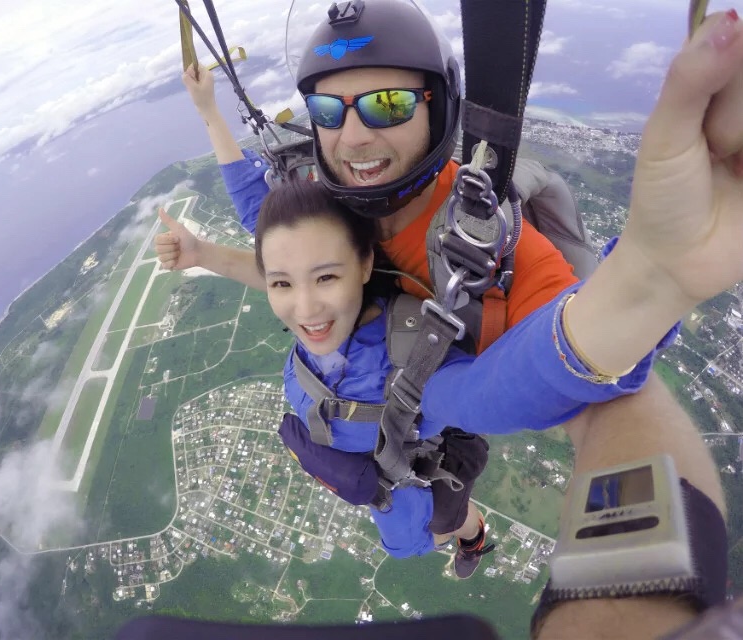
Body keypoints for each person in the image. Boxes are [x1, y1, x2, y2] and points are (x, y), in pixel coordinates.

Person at [157, 0, 742, 598]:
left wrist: (651, 281)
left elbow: (600, 395)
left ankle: (473, 536)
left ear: (439, 106)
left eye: (389, 103)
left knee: (427, 527)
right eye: (328, 111)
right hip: (348, 436)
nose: (352, 136)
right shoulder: (327, 211)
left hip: (413, 448)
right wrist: (208, 120)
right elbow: (262, 220)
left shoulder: (494, 249)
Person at [237, 175, 676, 575]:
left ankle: (472, 538)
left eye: (326, 277)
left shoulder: (410, 360)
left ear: (365, 265)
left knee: (441, 526)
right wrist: (212, 126)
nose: (305, 309)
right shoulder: (322, 322)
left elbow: (487, 394)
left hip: (424, 469)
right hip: (372, 477)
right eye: (281, 284)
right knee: (403, 543)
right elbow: (261, 230)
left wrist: (622, 312)